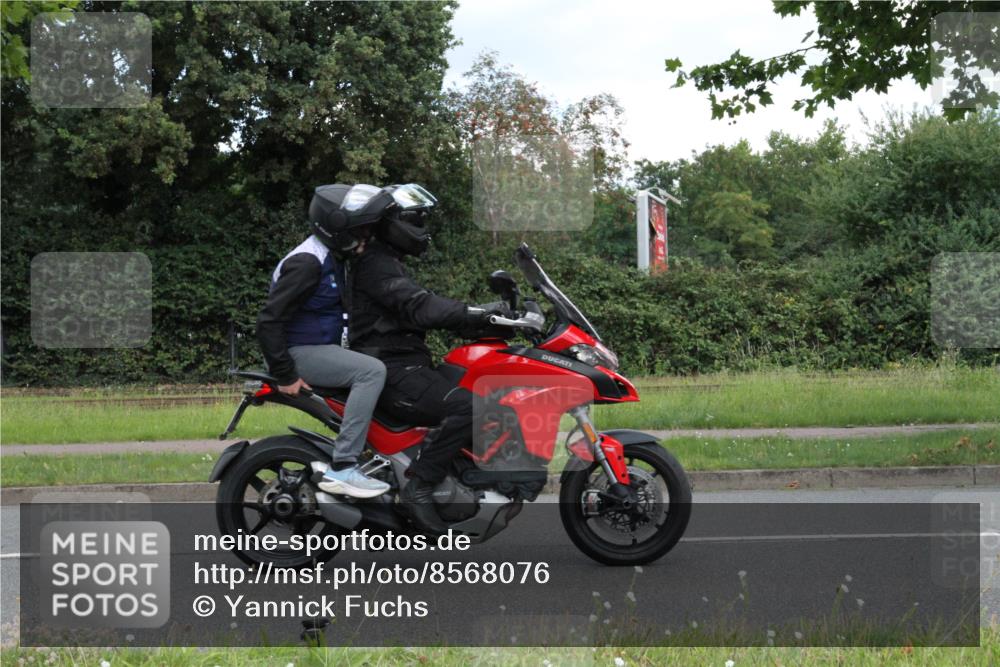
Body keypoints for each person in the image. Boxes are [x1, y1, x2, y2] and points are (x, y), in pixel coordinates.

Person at [346, 184, 504, 533]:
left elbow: (416, 311)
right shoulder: (376, 265)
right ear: (393, 223)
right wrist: (477, 313)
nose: (423, 227)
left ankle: (462, 477)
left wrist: (486, 322)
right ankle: (419, 486)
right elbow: (420, 305)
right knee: (473, 408)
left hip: (405, 364)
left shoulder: (386, 262)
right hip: (394, 371)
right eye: (416, 219)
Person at [256, 184, 394, 499]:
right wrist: (285, 373)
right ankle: (344, 467)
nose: (366, 236)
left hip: (316, 348)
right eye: (360, 230)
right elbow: (268, 320)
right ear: (336, 228)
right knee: (371, 371)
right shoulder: (308, 262)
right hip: (296, 353)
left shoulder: (330, 256)